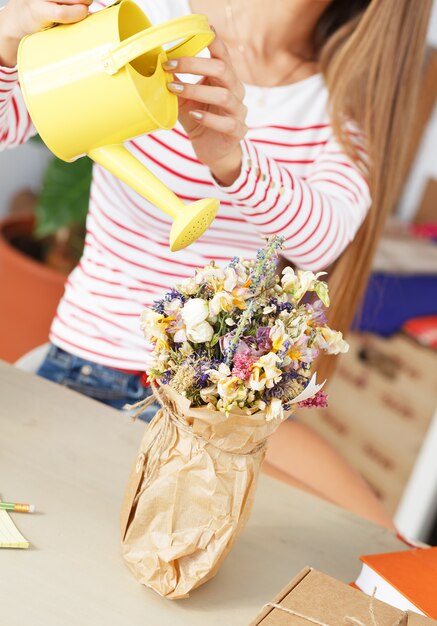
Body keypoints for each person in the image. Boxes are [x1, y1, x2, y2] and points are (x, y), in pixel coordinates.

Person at [0, 0, 431, 530]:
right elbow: (10, 119)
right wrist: (7, 39)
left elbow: (322, 241)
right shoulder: (142, 19)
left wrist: (233, 160)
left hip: (217, 409)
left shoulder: (341, 103)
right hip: (99, 371)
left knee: (386, 547)